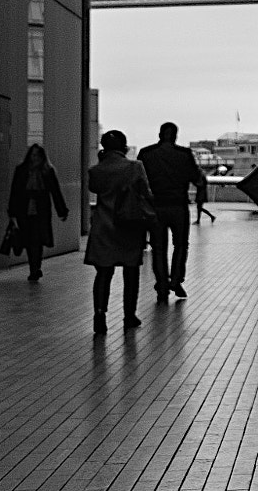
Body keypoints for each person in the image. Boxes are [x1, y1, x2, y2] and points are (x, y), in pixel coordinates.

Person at [86, 131, 154, 336]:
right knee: (130, 273)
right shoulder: (134, 167)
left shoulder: (95, 171)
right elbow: (146, 193)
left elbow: (95, 189)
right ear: (124, 147)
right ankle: (129, 315)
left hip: (103, 226)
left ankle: (100, 314)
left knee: (103, 274)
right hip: (129, 225)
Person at [138, 122, 206, 303]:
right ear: (175, 135)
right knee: (181, 245)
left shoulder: (146, 154)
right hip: (178, 205)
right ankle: (176, 280)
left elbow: (138, 181)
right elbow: (197, 179)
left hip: (155, 207)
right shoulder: (184, 155)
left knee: (158, 248)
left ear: (160, 134)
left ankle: (161, 284)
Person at [7, 144, 68, 282]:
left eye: (37, 155)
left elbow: (55, 191)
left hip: (40, 211)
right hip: (25, 210)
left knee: (37, 240)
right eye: (33, 155)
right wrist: (12, 212)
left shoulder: (47, 171)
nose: (34, 158)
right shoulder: (22, 170)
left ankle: (35, 268)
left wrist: (61, 210)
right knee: (29, 240)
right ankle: (34, 268)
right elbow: (14, 192)